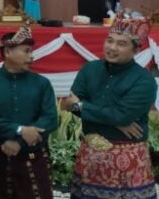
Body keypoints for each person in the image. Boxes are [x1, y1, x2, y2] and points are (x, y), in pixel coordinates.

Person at [64, 15, 158, 199]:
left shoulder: (144, 80)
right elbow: (69, 105)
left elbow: (121, 116)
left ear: (135, 49)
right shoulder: (90, 69)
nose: (112, 47)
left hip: (128, 160)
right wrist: (115, 120)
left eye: (121, 44)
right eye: (110, 40)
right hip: (90, 156)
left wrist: (83, 107)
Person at [0, 24, 57, 199]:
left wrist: (19, 142)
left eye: (31, 51)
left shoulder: (42, 83)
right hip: (1, 152)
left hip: (33, 152)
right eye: (26, 51)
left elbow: (50, 119)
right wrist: (19, 130)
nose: (31, 56)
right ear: (7, 52)